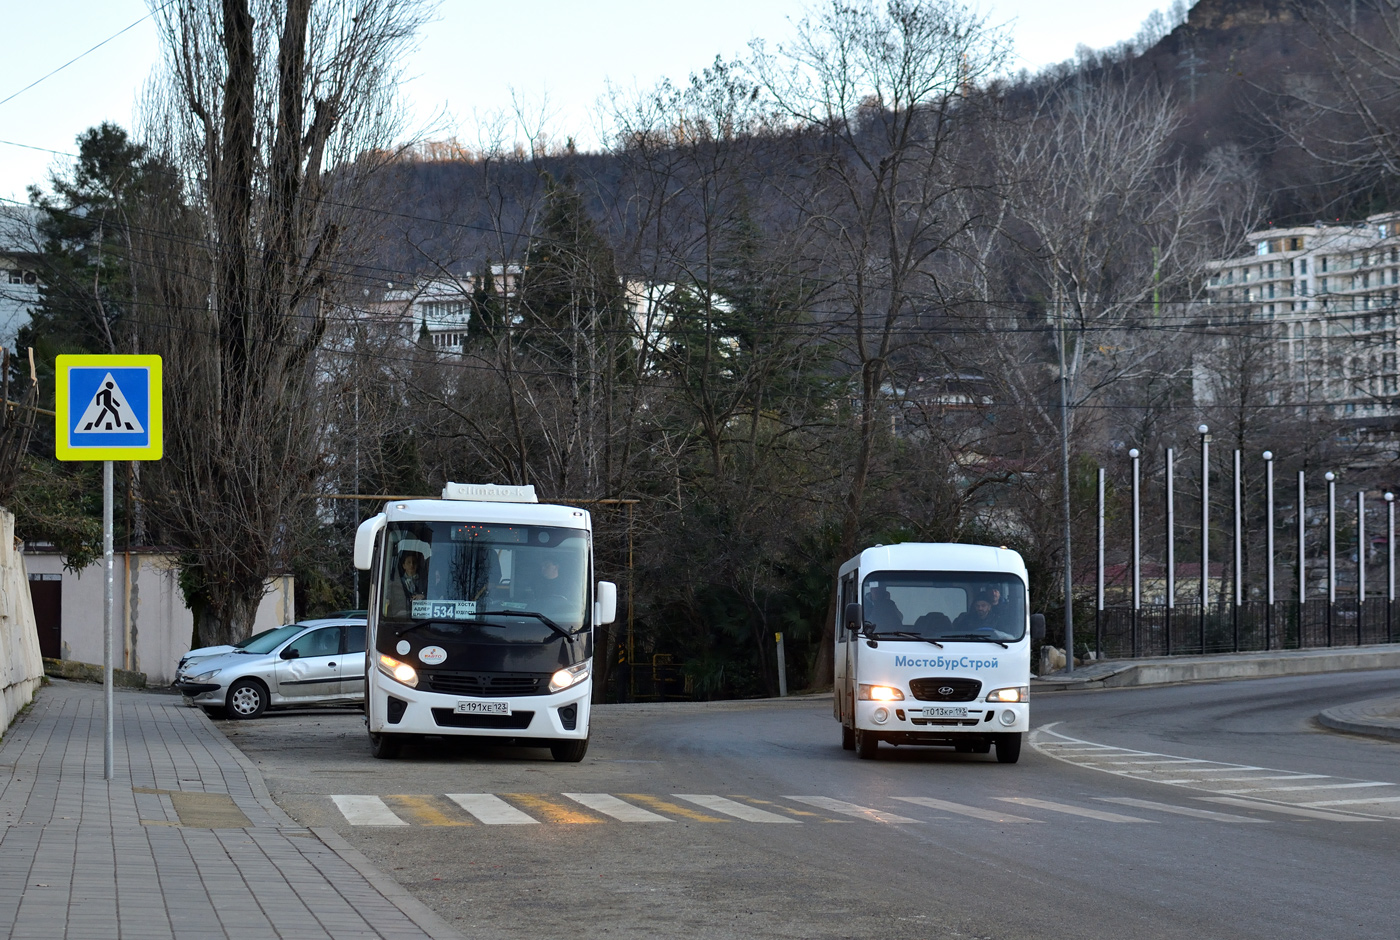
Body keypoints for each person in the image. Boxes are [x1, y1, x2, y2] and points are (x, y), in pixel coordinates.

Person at [386, 550, 427, 617]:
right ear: (404, 566)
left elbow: (432, 596)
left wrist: (423, 597)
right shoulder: (395, 583)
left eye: (414, 562)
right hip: (400, 617)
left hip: (421, 615)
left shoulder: (425, 582)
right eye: (408, 562)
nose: (412, 565)